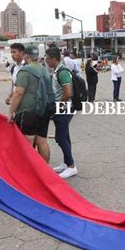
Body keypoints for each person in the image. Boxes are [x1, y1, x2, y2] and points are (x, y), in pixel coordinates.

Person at [8, 45, 51, 162]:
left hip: (28, 111)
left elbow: (18, 93)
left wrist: (10, 112)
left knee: (28, 141)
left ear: (26, 56)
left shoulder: (25, 71)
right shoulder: (44, 69)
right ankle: (44, 171)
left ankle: (29, 172)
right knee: (42, 141)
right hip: (43, 109)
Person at [45, 46, 77, 179]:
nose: (46, 61)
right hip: (62, 108)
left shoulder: (62, 72)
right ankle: (66, 162)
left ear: (53, 58)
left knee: (61, 137)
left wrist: (59, 106)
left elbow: (68, 92)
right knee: (65, 135)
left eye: (47, 58)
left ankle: (71, 166)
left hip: (64, 109)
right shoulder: (57, 70)